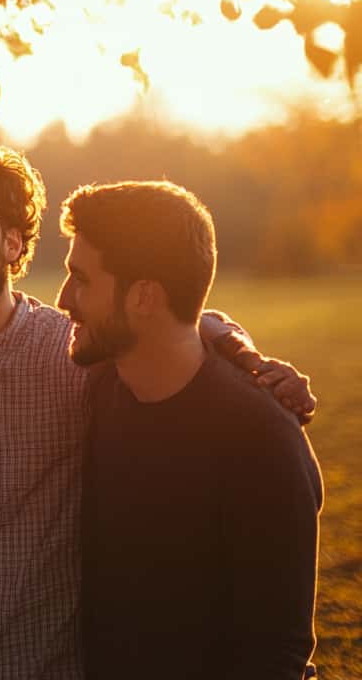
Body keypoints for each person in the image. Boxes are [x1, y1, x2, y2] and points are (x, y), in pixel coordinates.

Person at [0, 134, 316, 679]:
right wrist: (227, 337)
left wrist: (231, 348)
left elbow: (164, 331)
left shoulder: (73, 358)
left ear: (15, 243)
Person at [58, 181, 322, 679]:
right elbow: (205, 321)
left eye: (81, 279)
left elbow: (276, 653)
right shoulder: (98, 388)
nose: (64, 298)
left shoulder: (261, 440)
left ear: (144, 297)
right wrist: (231, 340)